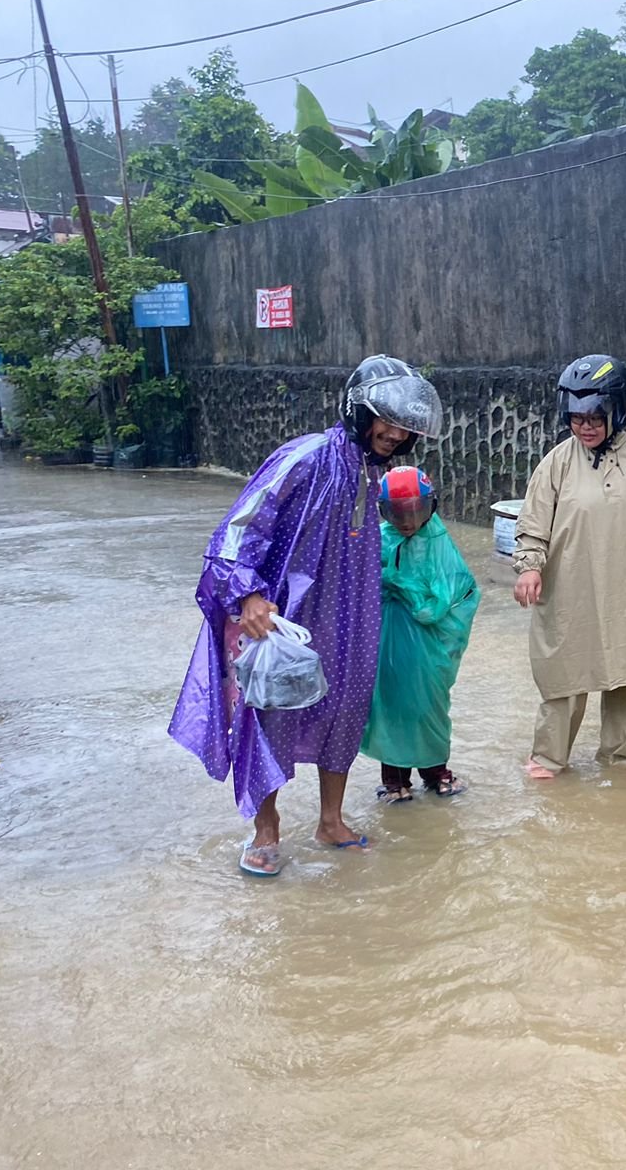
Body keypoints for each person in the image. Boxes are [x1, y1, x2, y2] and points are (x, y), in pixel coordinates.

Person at [169, 355, 442, 877]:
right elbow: (236, 531)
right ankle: (266, 831)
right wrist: (247, 595)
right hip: (286, 615)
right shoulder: (306, 458)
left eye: (405, 425)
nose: (395, 433)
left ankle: (331, 822)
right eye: (386, 419)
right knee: (272, 709)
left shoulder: (374, 471)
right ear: (358, 411)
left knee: (345, 707)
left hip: (353, 616)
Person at [511, 354, 626, 779]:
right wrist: (529, 567)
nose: (586, 426)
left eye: (596, 416)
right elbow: (533, 523)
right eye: (577, 418)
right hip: (572, 589)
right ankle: (548, 757)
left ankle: (620, 756)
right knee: (565, 671)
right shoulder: (557, 462)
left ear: (619, 410)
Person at [360, 465, 479, 802]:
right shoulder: (380, 540)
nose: (408, 520)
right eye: (399, 513)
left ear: (430, 507)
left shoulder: (438, 543)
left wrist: (400, 584)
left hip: (428, 648)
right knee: (388, 705)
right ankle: (395, 781)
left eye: (416, 511)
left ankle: (436, 772)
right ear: (385, 511)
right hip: (387, 643)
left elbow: (451, 597)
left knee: (428, 706)